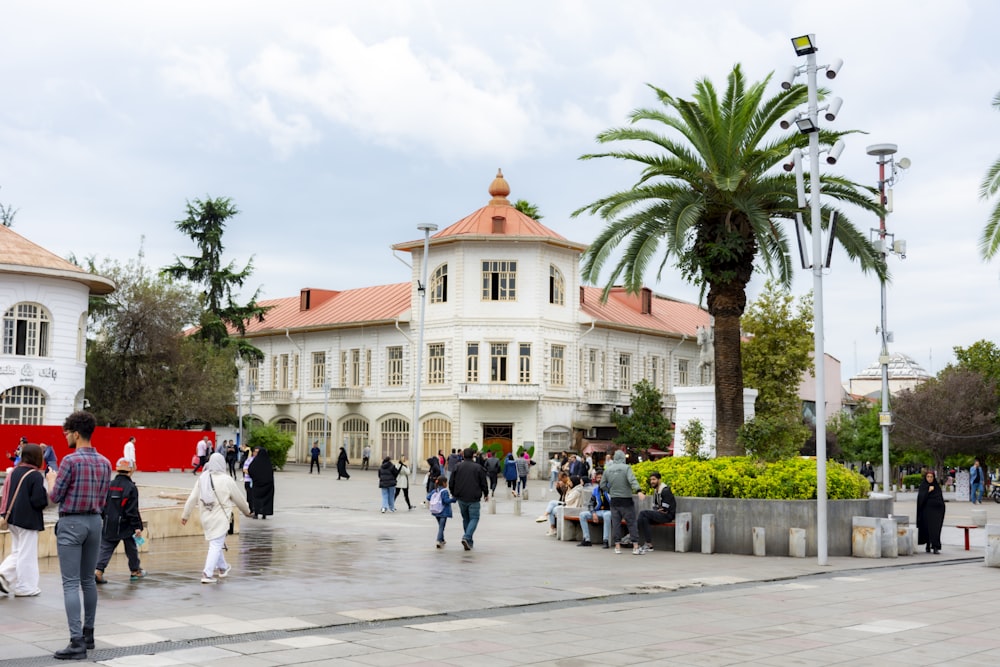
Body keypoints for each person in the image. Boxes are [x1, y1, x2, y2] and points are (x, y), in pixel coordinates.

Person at [49, 410, 112, 660]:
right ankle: (89, 634)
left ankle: (76, 642)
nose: (65, 437)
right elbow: (104, 498)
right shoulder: (106, 462)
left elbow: (54, 497)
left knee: (70, 583)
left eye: (66, 433)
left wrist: (52, 480)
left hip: (72, 522)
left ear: (76, 433)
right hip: (95, 522)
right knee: (88, 581)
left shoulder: (69, 461)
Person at [181, 453, 252, 584]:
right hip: (220, 518)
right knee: (216, 544)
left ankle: (223, 568)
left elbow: (192, 498)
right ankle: (207, 574)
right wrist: (247, 511)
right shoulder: (226, 479)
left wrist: (185, 515)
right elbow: (239, 498)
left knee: (215, 542)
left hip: (206, 518)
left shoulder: (203, 478)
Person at [0, 443, 49, 597]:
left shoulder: (14, 472)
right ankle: (25, 587)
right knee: (26, 554)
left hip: (12, 518)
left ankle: (4, 576)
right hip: (28, 520)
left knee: (18, 551)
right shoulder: (34, 475)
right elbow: (39, 501)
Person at [94, 458, 144, 584]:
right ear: (131, 470)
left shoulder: (109, 485)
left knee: (106, 548)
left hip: (109, 523)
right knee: (131, 548)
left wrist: (104, 518)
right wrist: (137, 526)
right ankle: (135, 571)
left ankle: (98, 571)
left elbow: (101, 504)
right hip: (126, 525)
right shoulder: (131, 487)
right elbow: (132, 510)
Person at [600, 449, 644, 555]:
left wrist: (610, 490)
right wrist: (638, 490)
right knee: (631, 523)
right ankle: (635, 546)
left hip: (614, 500)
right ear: (623, 458)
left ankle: (617, 547)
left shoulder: (608, 470)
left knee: (616, 524)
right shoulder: (626, 468)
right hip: (626, 500)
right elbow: (632, 480)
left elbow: (602, 485)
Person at [448, 447, 489, 550]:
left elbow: (451, 482)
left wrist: (453, 493)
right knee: (474, 518)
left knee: (466, 518)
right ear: (473, 455)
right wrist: (486, 493)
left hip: (461, 496)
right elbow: (483, 482)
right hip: (474, 497)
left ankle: (469, 541)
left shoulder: (457, 467)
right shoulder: (478, 467)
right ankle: (467, 537)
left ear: (463, 455)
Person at [636, 472, 676, 554]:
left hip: (667, 516)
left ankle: (632, 535)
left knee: (643, 513)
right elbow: (655, 507)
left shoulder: (665, 490)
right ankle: (649, 545)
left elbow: (665, 509)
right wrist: (658, 509)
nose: (652, 481)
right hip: (659, 514)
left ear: (659, 480)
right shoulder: (655, 491)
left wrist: (659, 509)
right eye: (651, 480)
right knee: (644, 518)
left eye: (654, 479)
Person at [578, 470, 612, 548]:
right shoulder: (596, 490)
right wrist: (593, 513)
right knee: (582, 515)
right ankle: (587, 540)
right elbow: (591, 504)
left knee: (607, 515)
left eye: (601, 477)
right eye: (598, 477)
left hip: (610, 511)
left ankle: (605, 540)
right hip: (598, 512)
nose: (599, 479)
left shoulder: (611, 488)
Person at [917, 470, 946, 554]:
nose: (929, 479)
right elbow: (920, 499)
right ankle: (928, 544)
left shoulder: (936, 487)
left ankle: (935, 546)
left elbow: (940, 499)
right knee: (927, 529)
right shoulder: (923, 486)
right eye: (928, 477)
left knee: (936, 530)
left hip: (936, 513)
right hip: (926, 512)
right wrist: (928, 491)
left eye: (931, 477)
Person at [247, 447, 275, 520]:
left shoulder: (255, 462)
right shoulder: (268, 462)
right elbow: (270, 473)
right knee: (266, 499)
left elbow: (250, 470)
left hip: (257, 485)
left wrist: (255, 478)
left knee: (256, 499)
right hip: (267, 485)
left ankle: (256, 513)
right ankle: (264, 513)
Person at [427, 475, 454, 548]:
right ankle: (438, 540)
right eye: (446, 482)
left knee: (441, 526)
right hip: (443, 512)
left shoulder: (435, 490)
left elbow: (428, 497)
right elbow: (446, 501)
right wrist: (453, 500)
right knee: (441, 527)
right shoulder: (444, 491)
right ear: (444, 483)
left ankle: (442, 539)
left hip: (436, 511)